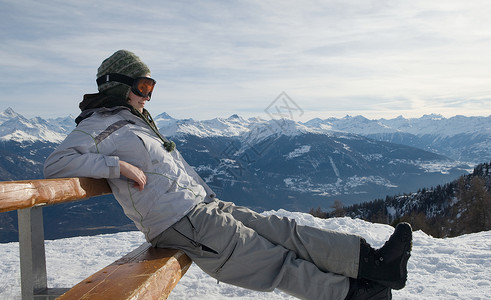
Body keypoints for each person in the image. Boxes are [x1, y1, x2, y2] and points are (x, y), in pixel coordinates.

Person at [44, 50, 412, 300]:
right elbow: (56, 164)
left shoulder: (134, 122)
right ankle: (358, 294)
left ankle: (375, 264)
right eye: (143, 87)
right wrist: (115, 167)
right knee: (272, 260)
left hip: (201, 207)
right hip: (180, 222)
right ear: (119, 86)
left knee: (285, 231)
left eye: (151, 87)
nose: (148, 97)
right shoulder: (99, 125)